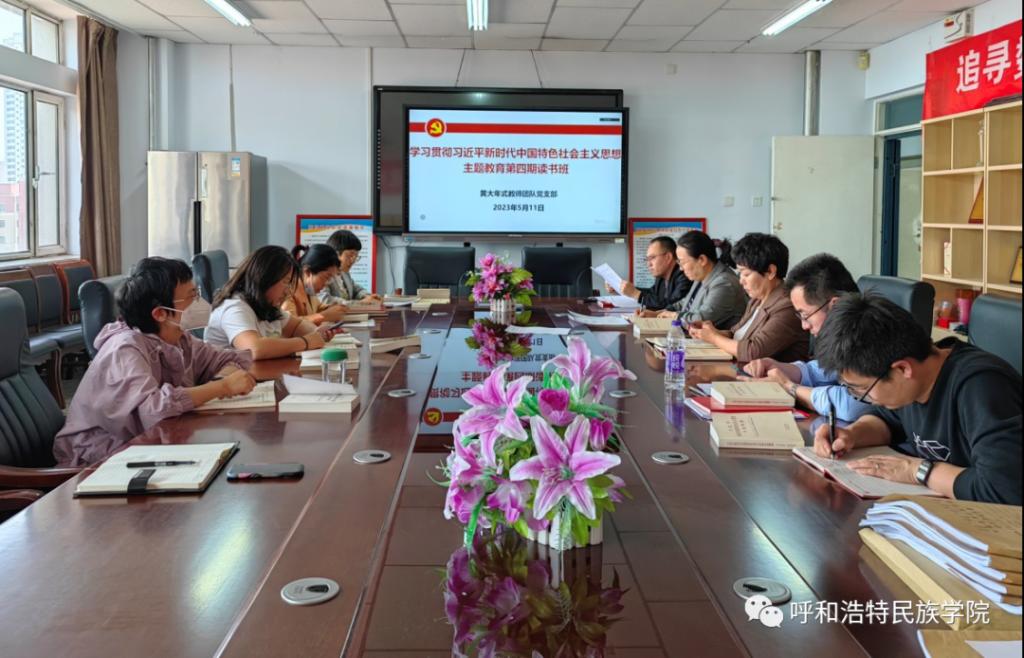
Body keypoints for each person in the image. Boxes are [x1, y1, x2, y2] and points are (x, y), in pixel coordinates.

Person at [813, 294, 1021, 505]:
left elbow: (1002, 489)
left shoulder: (981, 386)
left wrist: (919, 471)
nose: (867, 399)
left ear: (903, 369)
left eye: (864, 390)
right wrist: (852, 434)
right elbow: (887, 419)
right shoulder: (914, 380)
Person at [53, 257, 256, 466]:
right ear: (160, 313)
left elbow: (229, 358)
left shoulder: (179, 338)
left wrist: (221, 379)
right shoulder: (124, 349)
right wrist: (222, 387)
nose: (199, 302)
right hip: (96, 460)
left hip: (145, 447)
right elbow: (154, 411)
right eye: (191, 296)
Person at [742, 253, 871, 422]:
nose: (804, 326)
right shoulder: (842, 336)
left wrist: (790, 387)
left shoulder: (869, 333)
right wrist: (779, 368)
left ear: (835, 305)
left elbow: (852, 405)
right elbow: (822, 371)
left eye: (805, 315)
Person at [688, 232, 809, 362]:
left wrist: (714, 338)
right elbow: (735, 333)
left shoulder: (788, 305)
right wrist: (710, 332)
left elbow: (753, 351)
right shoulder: (756, 300)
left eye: (746, 274)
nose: (741, 281)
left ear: (770, 271)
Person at [205, 245, 340, 359]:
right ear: (265, 278)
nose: (288, 291)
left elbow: (296, 326)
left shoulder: (266, 306)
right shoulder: (234, 307)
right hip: (227, 380)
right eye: (285, 282)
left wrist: (317, 332)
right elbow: (254, 349)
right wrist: (306, 342)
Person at [656, 231, 747, 328]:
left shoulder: (724, 283)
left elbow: (700, 320)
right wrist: (661, 312)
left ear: (702, 260)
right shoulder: (702, 275)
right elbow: (686, 302)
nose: (681, 268)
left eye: (683, 262)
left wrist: (674, 316)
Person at [608, 236, 691, 311]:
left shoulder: (685, 276)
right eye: (647, 259)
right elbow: (652, 294)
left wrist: (635, 293)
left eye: (652, 258)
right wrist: (623, 289)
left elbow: (671, 306)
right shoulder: (661, 276)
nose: (649, 264)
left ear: (668, 257)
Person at [283, 244, 347, 326]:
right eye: (326, 277)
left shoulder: (309, 289)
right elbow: (288, 324)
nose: (326, 284)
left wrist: (333, 309)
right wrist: (323, 316)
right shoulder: (288, 290)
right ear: (307, 272)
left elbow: (318, 308)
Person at [319, 230, 382, 304]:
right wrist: (360, 303)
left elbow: (355, 289)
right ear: (336, 254)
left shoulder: (344, 272)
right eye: (350, 255)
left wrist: (367, 296)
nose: (353, 260)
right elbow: (324, 300)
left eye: (356, 256)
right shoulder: (321, 273)